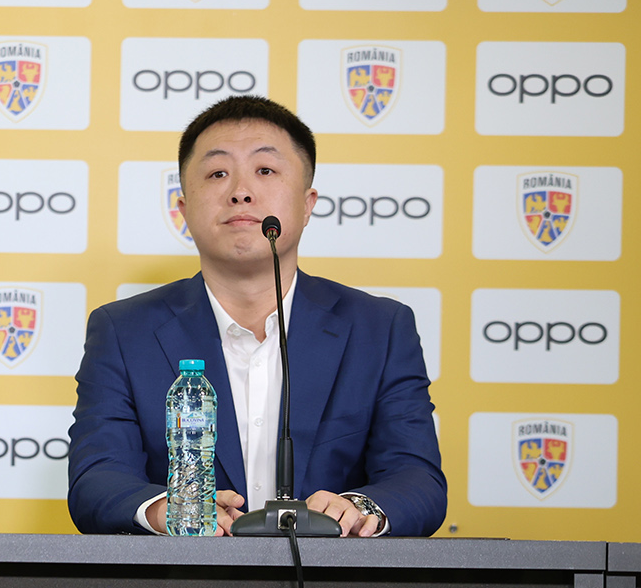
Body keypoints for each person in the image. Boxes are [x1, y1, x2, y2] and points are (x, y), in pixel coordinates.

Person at [68, 95, 445, 537]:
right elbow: (97, 479)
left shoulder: (379, 329)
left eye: (265, 170)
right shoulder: (124, 332)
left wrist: (359, 509)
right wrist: (163, 510)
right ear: (183, 210)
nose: (241, 191)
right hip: (184, 577)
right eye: (217, 173)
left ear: (307, 204)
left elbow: (418, 479)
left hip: (332, 578)